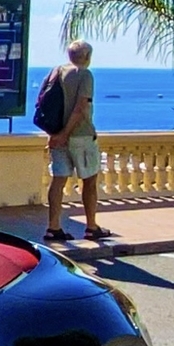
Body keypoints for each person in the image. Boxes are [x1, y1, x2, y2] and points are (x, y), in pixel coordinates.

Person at [43, 40, 108, 242]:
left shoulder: (56, 72)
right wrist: (66, 133)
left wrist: (56, 134)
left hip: (56, 134)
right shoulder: (85, 74)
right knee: (89, 181)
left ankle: (53, 227)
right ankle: (91, 226)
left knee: (58, 180)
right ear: (87, 56)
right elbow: (81, 108)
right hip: (81, 135)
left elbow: (43, 104)